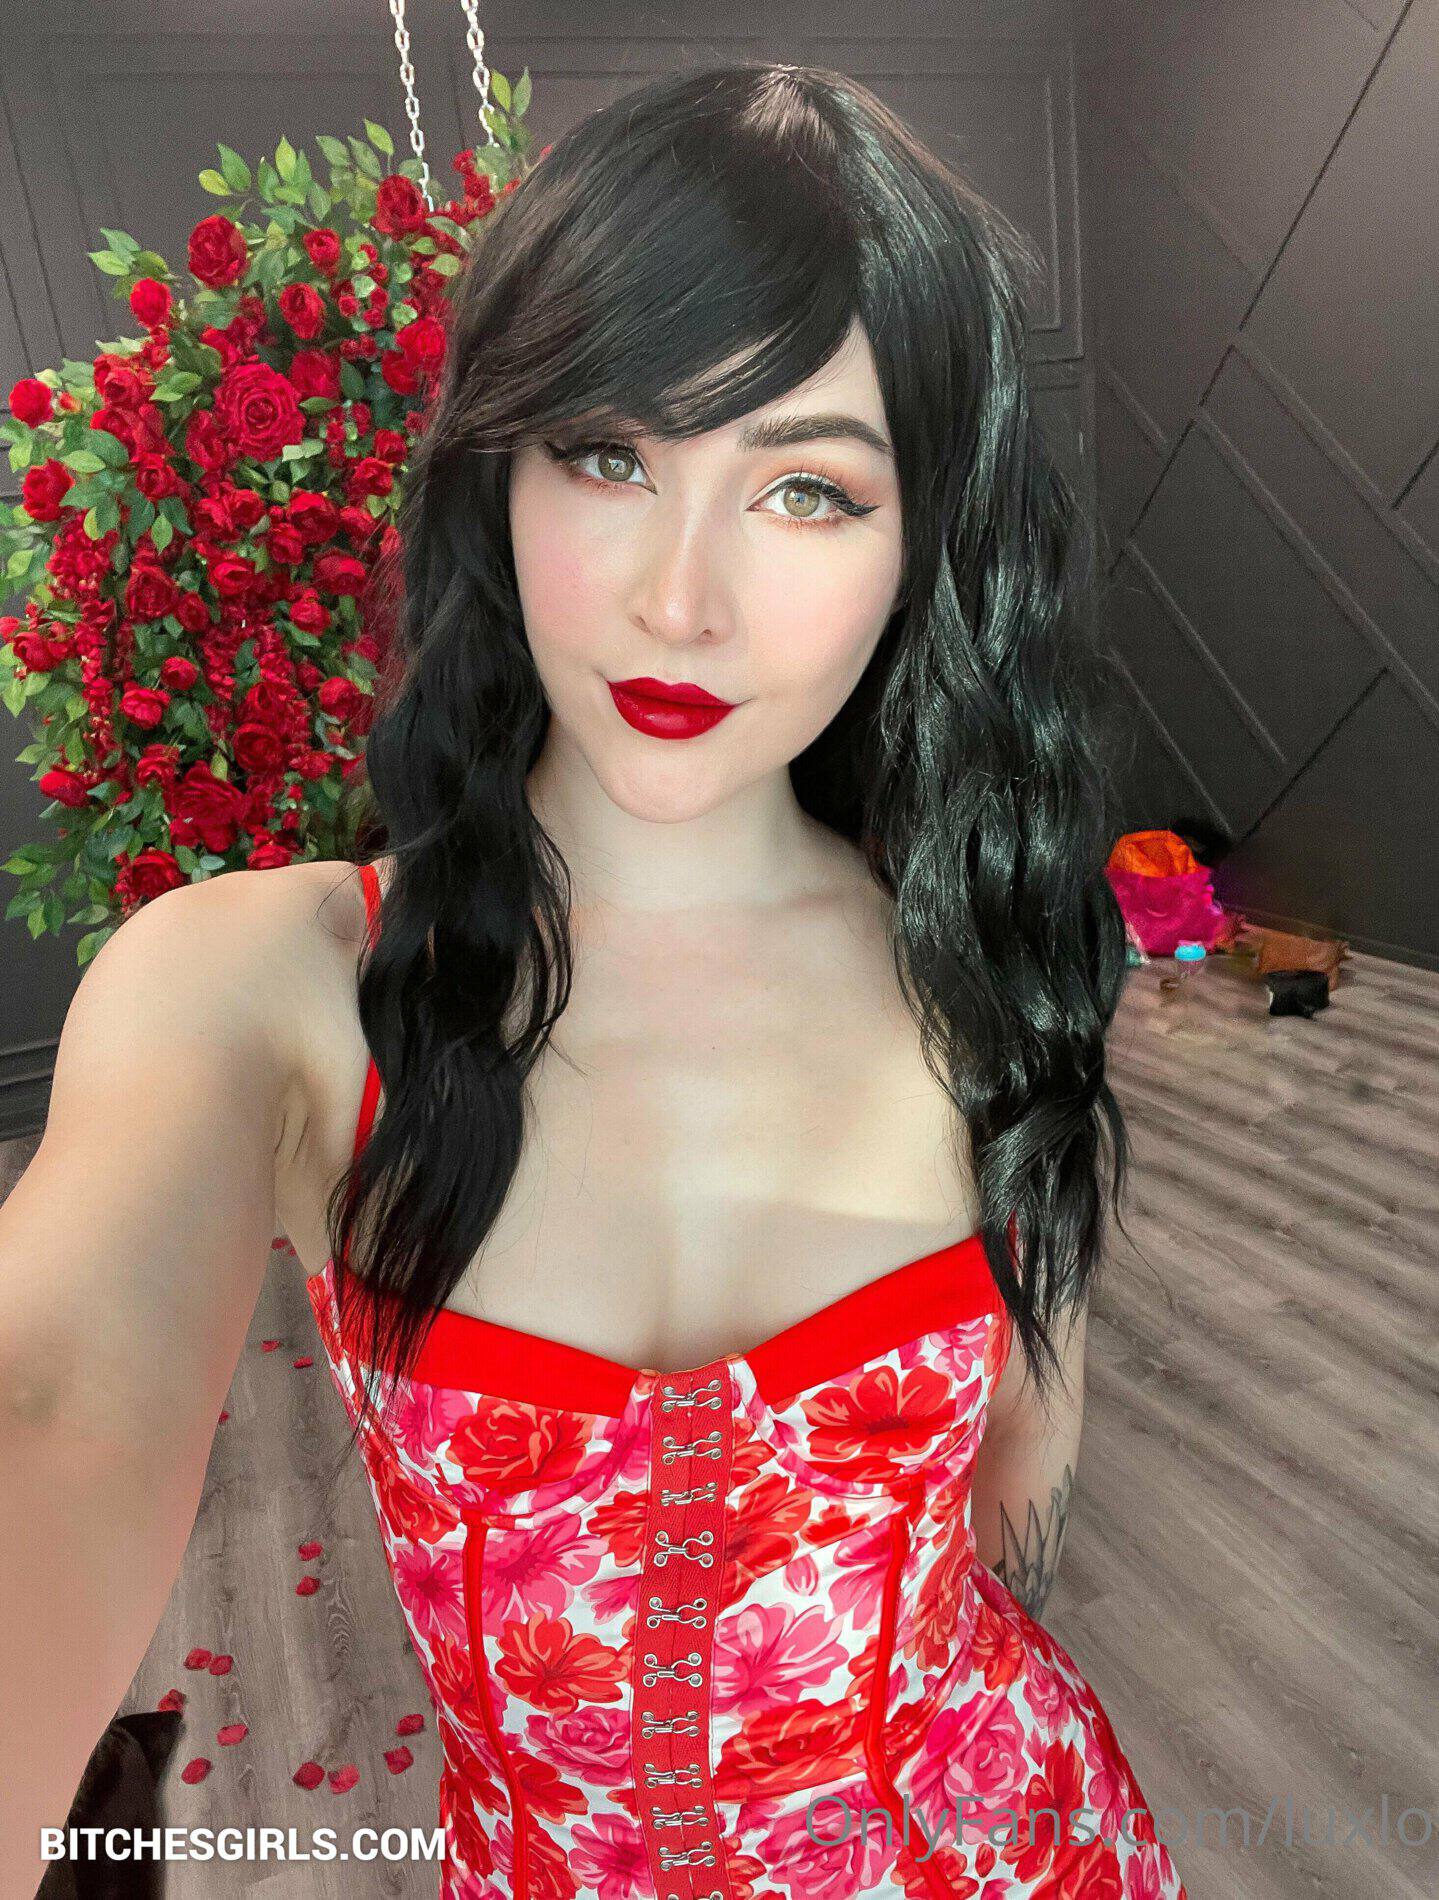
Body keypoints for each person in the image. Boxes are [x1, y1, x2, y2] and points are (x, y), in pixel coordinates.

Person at [0, 60, 1186, 1900]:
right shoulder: (262, 994)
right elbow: (51, 1414)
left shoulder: (985, 968)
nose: (678, 602)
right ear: (499, 472)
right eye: (611, 455)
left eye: (807, 490)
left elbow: (1018, 1491)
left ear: (921, 546)